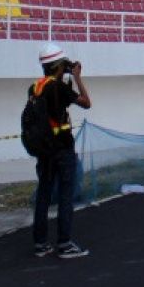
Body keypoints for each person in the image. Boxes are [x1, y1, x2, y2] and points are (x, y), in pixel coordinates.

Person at [31, 45, 91, 259]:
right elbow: (86, 103)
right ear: (58, 66)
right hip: (62, 150)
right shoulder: (59, 88)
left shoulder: (36, 88)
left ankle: (40, 243)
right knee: (66, 195)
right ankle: (64, 243)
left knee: (44, 195)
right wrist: (77, 78)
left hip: (44, 151)